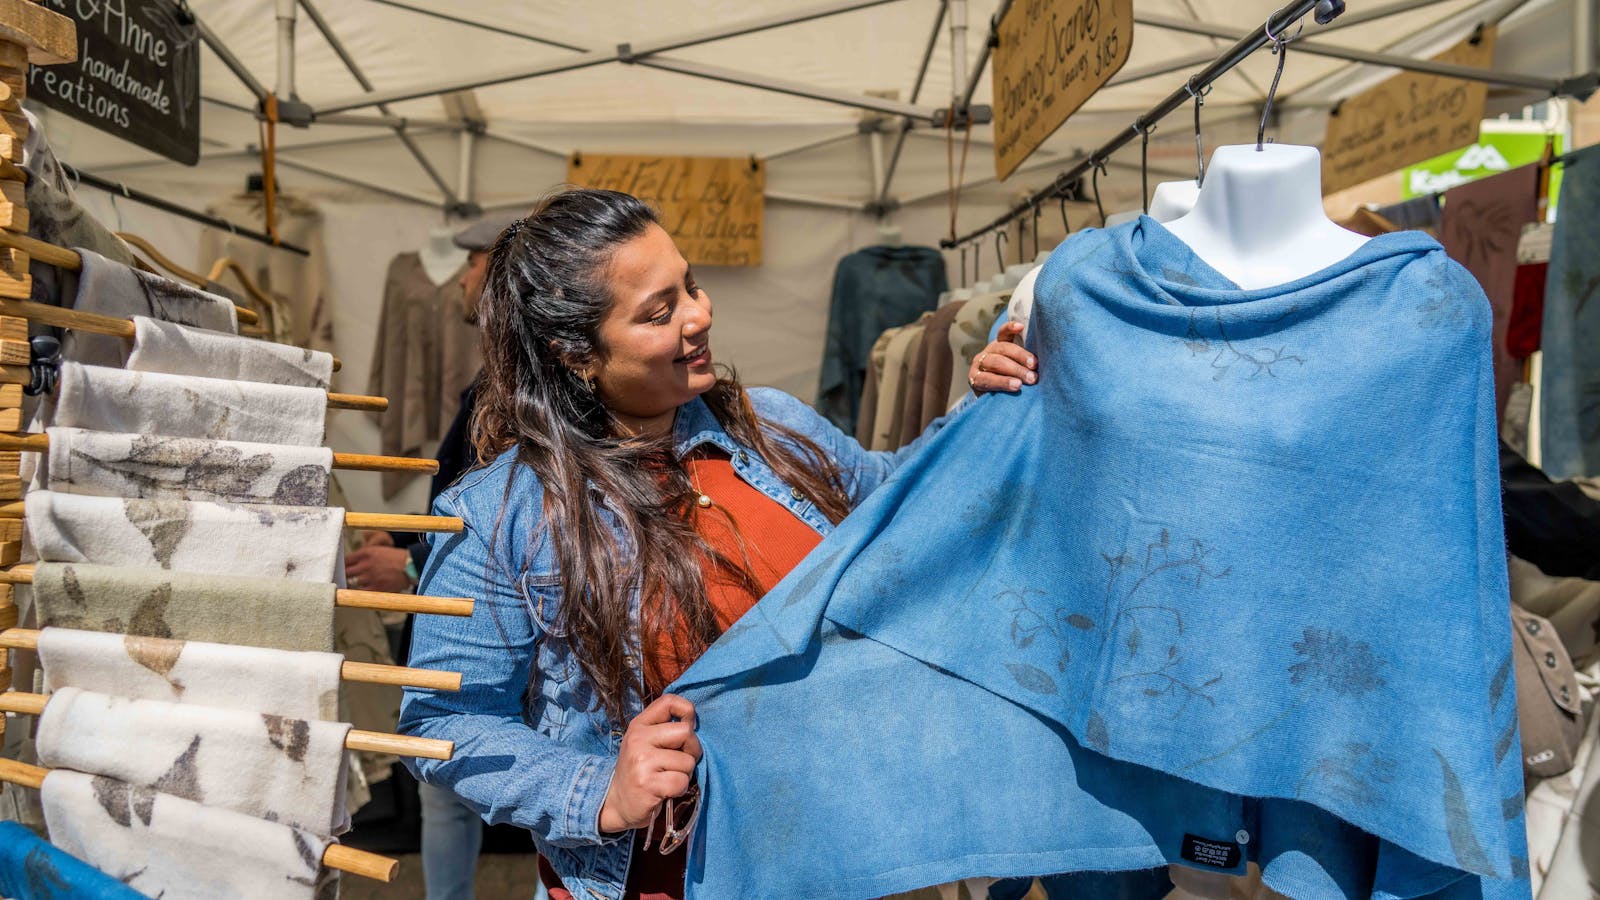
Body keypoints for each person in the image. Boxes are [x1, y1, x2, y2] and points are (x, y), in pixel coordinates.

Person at [397, 188, 1037, 900]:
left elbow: (897, 499)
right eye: (658, 311)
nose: (699, 316)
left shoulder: (773, 427)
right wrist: (596, 791)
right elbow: (443, 717)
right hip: (663, 881)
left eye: (690, 285)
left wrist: (981, 409)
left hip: (846, 860)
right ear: (574, 352)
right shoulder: (504, 514)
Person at [345, 210, 531, 900]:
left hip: (492, 623)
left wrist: (417, 566)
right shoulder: (497, 383)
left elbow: (515, 522)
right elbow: (457, 494)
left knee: (518, 781)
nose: (461, 279)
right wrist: (402, 541)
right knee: (445, 789)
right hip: (465, 616)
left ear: (498, 273)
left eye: (473, 263)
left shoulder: (521, 394)